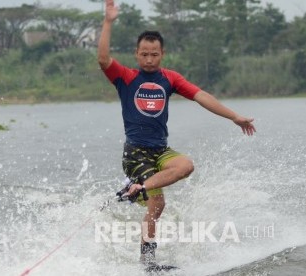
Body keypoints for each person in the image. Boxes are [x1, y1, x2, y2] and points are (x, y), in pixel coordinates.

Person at [97, 0, 256, 269]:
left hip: (160, 150)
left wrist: (234, 116)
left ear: (162, 54)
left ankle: (137, 189)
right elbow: (103, 59)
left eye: (154, 54)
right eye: (144, 54)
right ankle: (148, 262)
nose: (149, 59)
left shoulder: (169, 79)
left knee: (186, 165)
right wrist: (109, 21)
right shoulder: (125, 77)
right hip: (135, 152)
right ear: (136, 54)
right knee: (157, 204)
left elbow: (201, 96)